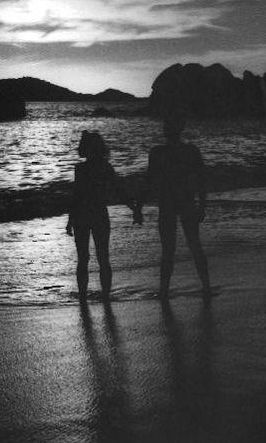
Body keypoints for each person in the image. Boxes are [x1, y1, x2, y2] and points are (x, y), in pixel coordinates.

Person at [137, 112, 211, 300]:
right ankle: (170, 290)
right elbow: (149, 181)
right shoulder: (162, 152)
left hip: (180, 203)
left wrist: (202, 205)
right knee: (179, 248)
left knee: (184, 247)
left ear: (178, 128)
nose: (166, 128)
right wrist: (138, 207)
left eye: (168, 125)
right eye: (166, 125)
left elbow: (201, 180)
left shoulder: (183, 151)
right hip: (173, 204)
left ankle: (174, 290)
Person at [66, 131, 138, 301]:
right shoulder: (104, 167)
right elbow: (119, 191)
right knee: (100, 257)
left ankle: (85, 297)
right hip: (97, 214)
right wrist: (134, 208)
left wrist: (70, 219)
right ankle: (103, 296)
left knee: (86, 258)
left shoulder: (82, 169)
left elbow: (76, 196)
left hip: (84, 215)